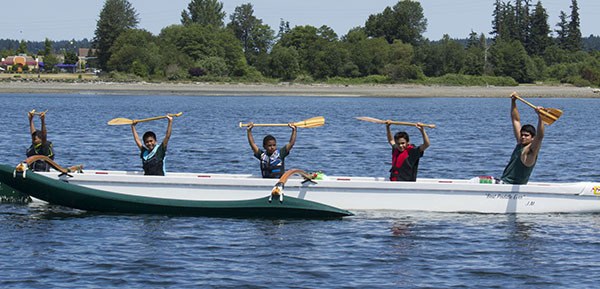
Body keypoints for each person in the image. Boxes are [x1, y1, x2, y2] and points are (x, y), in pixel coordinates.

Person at [500, 94, 546, 184]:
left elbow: (540, 136)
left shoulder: (531, 151)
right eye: (522, 135)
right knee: (477, 180)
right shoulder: (520, 143)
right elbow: (515, 120)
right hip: (504, 183)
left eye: (526, 135)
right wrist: (513, 102)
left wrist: (541, 117)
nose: (523, 137)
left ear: (532, 138)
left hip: (512, 185)